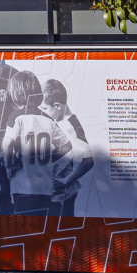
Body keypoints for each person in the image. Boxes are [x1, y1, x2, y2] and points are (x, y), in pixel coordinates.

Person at [0, 70, 71, 216]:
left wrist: (9, 168)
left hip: (22, 187)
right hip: (45, 188)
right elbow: (67, 146)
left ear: (15, 94)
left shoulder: (16, 117)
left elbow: (7, 144)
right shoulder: (48, 119)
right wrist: (48, 157)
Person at [41, 78, 95, 216]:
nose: (41, 112)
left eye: (44, 108)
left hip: (62, 194)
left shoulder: (70, 125)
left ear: (57, 106)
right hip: (48, 191)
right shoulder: (54, 119)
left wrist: (66, 181)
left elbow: (88, 161)